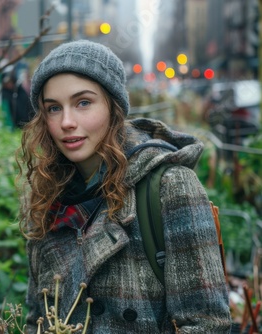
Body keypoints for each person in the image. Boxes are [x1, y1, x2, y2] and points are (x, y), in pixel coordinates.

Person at [17, 40, 231, 333]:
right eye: (53, 108)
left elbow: (207, 324)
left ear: (113, 107)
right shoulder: (47, 199)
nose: (66, 122)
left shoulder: (169, 186)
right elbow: (36, 318)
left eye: (83, 103)